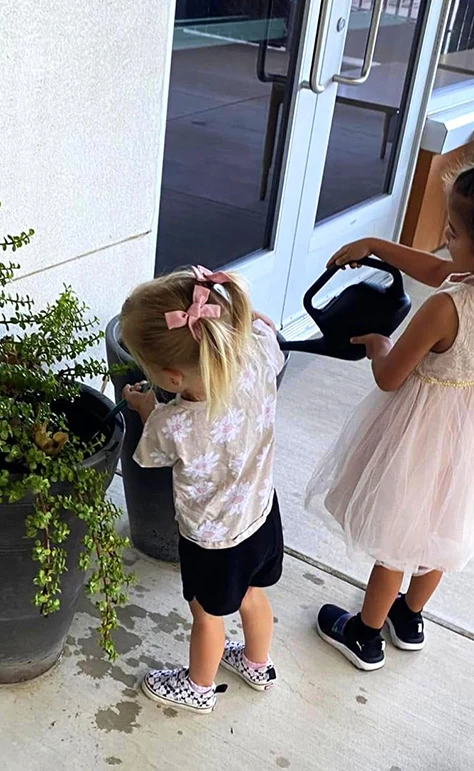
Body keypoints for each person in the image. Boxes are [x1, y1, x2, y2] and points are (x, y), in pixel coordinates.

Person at [306, 157, 474, 670]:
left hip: (425, 430)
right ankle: (409, 615)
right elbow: (435, 267)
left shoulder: (446, 308)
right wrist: (377, 247)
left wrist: (381, 343)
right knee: (447, 524)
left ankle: (365, 634)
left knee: (399, 535)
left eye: (452, 230)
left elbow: (391, 376)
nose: (444, 237)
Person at [120, 265, 285, 714]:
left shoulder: (176, 423)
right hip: (261, 514)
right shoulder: (259, 357)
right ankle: (256, 662)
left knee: (207, 615)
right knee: (253, 594)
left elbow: (149, 453)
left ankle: (198, 686)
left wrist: (144, 405)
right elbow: (264, 329)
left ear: (172, 378)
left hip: (213, 541)